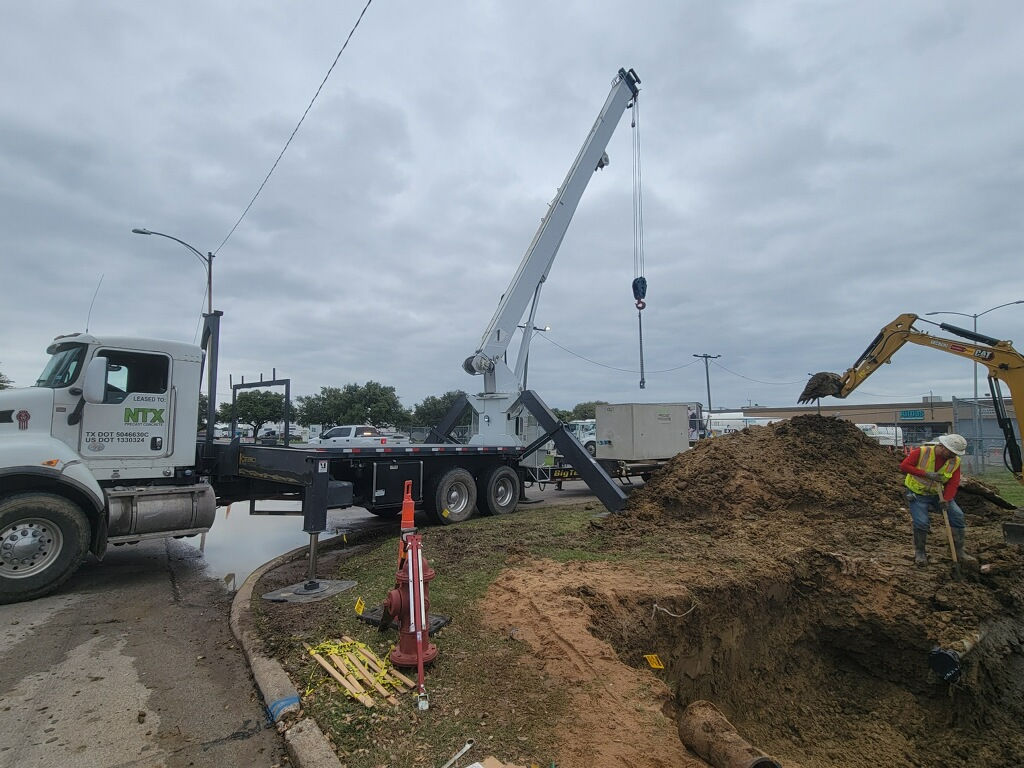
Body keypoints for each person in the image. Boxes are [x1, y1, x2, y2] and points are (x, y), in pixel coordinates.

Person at [899, 433, 975, 567]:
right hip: (918, 493)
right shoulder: (922, 452)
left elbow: (953, 482)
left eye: (955, 454)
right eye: (951, 453)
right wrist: (926, 474)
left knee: (957, 516)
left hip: (937, 494)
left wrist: (947, 499)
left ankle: (958, 551)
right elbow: (904, 466)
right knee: (921, 522)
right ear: (942, 446)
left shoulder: (955, 461)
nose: (953, 456)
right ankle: (920, 552)